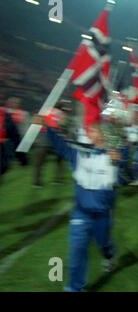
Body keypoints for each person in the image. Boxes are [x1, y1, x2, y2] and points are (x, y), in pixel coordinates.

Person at [33, 114, 120, 292]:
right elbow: (61, 145)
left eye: (94, 130)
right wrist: (47, 127)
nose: (89, 132)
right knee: (77, 251)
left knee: (103, 243)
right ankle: (74, 287)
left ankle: (109, 253)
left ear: (103, 134)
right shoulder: (79, 153)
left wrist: (119, 162)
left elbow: (127, 177)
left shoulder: (114, 156)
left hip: (103, 214)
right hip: (81, 213)